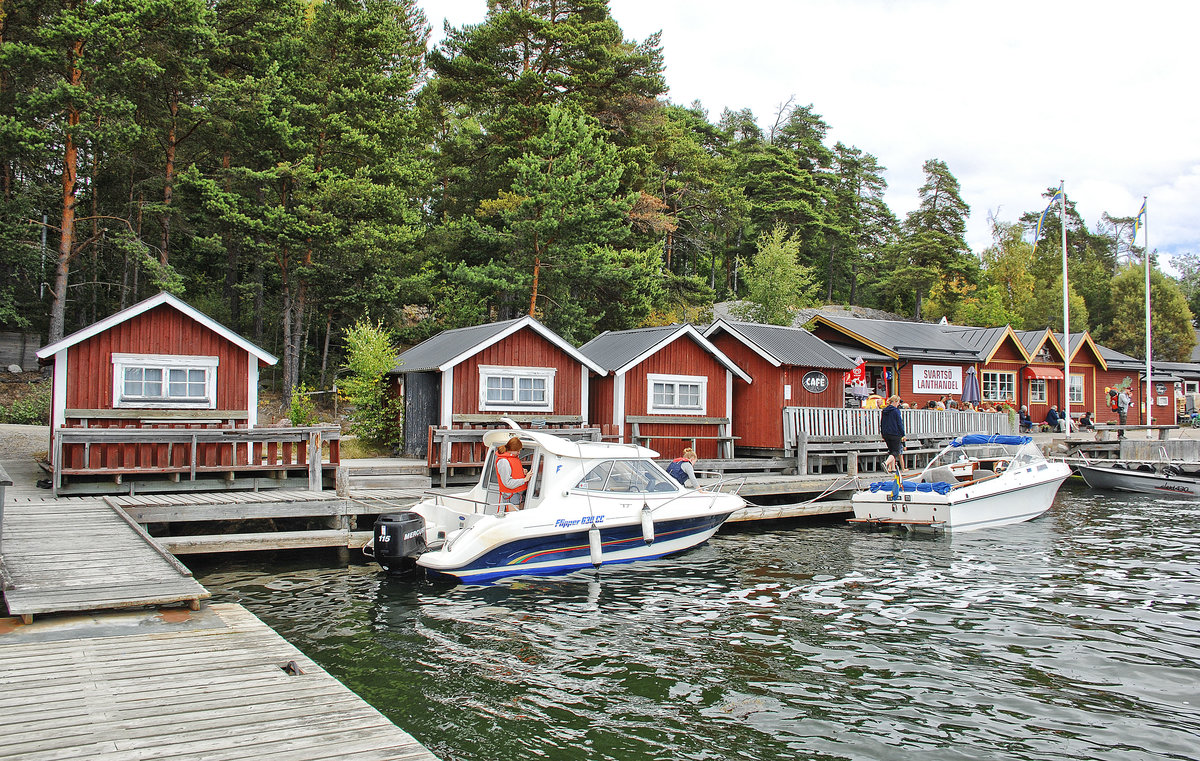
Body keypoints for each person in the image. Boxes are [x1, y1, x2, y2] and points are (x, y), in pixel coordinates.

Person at [495, 436, 532, 511]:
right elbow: (508, 483)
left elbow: (513, 470)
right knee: (513, 519)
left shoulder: (513, 457)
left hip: (518, 493)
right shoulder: (503, 461)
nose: (519, 453)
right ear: (512, 450)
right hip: (511, 495)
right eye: (518, 451)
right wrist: (525, 479)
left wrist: (522, 471)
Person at [880, 394, 906, 472]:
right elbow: (899, 423)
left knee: (891, 451)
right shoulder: (896, 411)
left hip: (886, 433)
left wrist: (882, 432)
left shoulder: (884, 410)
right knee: (896, 451)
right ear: (895, 402)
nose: (898, 404)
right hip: (895, 433)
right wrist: (903, 434)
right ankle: (886, 463)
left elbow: (882, 422)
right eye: (898, 402)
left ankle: (892, 468)